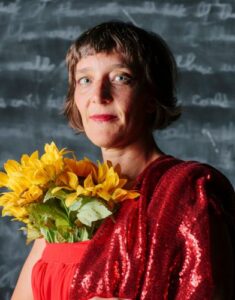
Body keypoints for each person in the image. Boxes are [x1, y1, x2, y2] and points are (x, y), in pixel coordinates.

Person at [11, 20, 235, 300]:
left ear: (151, 97)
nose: (98, 96)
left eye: (121, 77)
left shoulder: (191, 191)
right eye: (85, 80)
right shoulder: (62, 202)